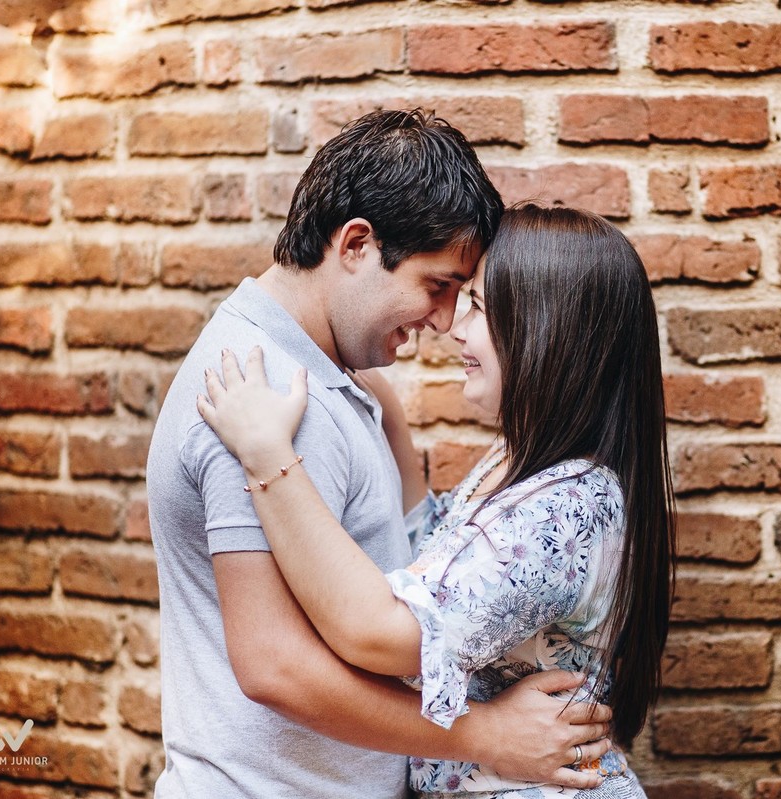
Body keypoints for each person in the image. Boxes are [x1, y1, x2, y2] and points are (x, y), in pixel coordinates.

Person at [146, 112, 613, 799]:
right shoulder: (268, 394)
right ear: (357, 245)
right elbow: (275, 665)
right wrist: (485, 733)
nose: (445, 320)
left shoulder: (328, 376)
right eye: (437, 285)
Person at [196, 203, 677, 798]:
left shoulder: (569, 507)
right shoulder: (518, 465)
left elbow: (382, 632)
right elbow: (430, 552)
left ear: (548, 331)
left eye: (478, 306)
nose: (455, 327)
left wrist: (267, 456)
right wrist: (360, 383)